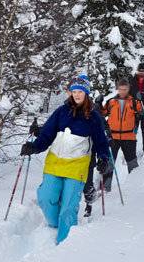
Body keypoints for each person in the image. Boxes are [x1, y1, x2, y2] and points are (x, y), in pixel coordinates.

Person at [21, 74, 112, 244]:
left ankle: (64, 245)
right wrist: (34, 147)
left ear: (86, 93)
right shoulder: (61, 112)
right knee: (46, 198)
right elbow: (47, 133)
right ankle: (55, 225)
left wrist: (104, 158)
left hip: (77, 166)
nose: (77, 94)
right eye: (74, 91)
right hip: (55, 162)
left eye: (80, 91)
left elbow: (101, 142)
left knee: (68, 208)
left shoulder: (93, 117)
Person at [101, 78, 144, 189]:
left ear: (128, 89)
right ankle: (105, 187)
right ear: (117, 89)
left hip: (129, 137)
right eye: (121, 89)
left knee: (132, 162)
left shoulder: (133, 101)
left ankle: (134, 186)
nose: (123, 91)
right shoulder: (111, 102)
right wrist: (98, 104)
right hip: (112, 137)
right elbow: (102, 113)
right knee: (109, 162)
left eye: (125, 89)